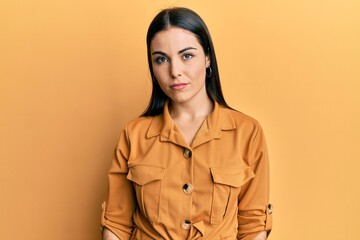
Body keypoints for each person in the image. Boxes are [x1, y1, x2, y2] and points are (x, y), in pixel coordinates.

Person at [101, 7, 272, 240]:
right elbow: (116, 225)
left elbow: (253, 225)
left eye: (187, 56)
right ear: (152, 67)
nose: (174, 71)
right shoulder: (134, 135)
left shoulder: (247, 132)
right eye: (161, 59)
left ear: (208, 57)